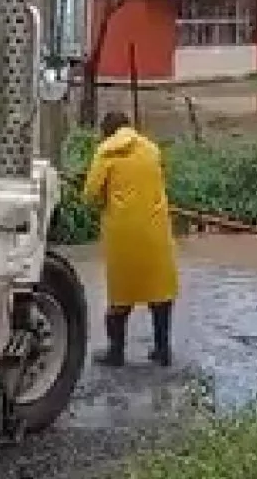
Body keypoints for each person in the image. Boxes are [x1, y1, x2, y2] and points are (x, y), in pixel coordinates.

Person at [82, 111, 179, 367]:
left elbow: (90, 194)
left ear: (106, 131)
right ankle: (162, 350)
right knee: (159, 292)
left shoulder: (106, 153)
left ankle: (116, 353)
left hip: (122, 233)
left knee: (121, 294)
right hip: (156, 230)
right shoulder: (151, 149)